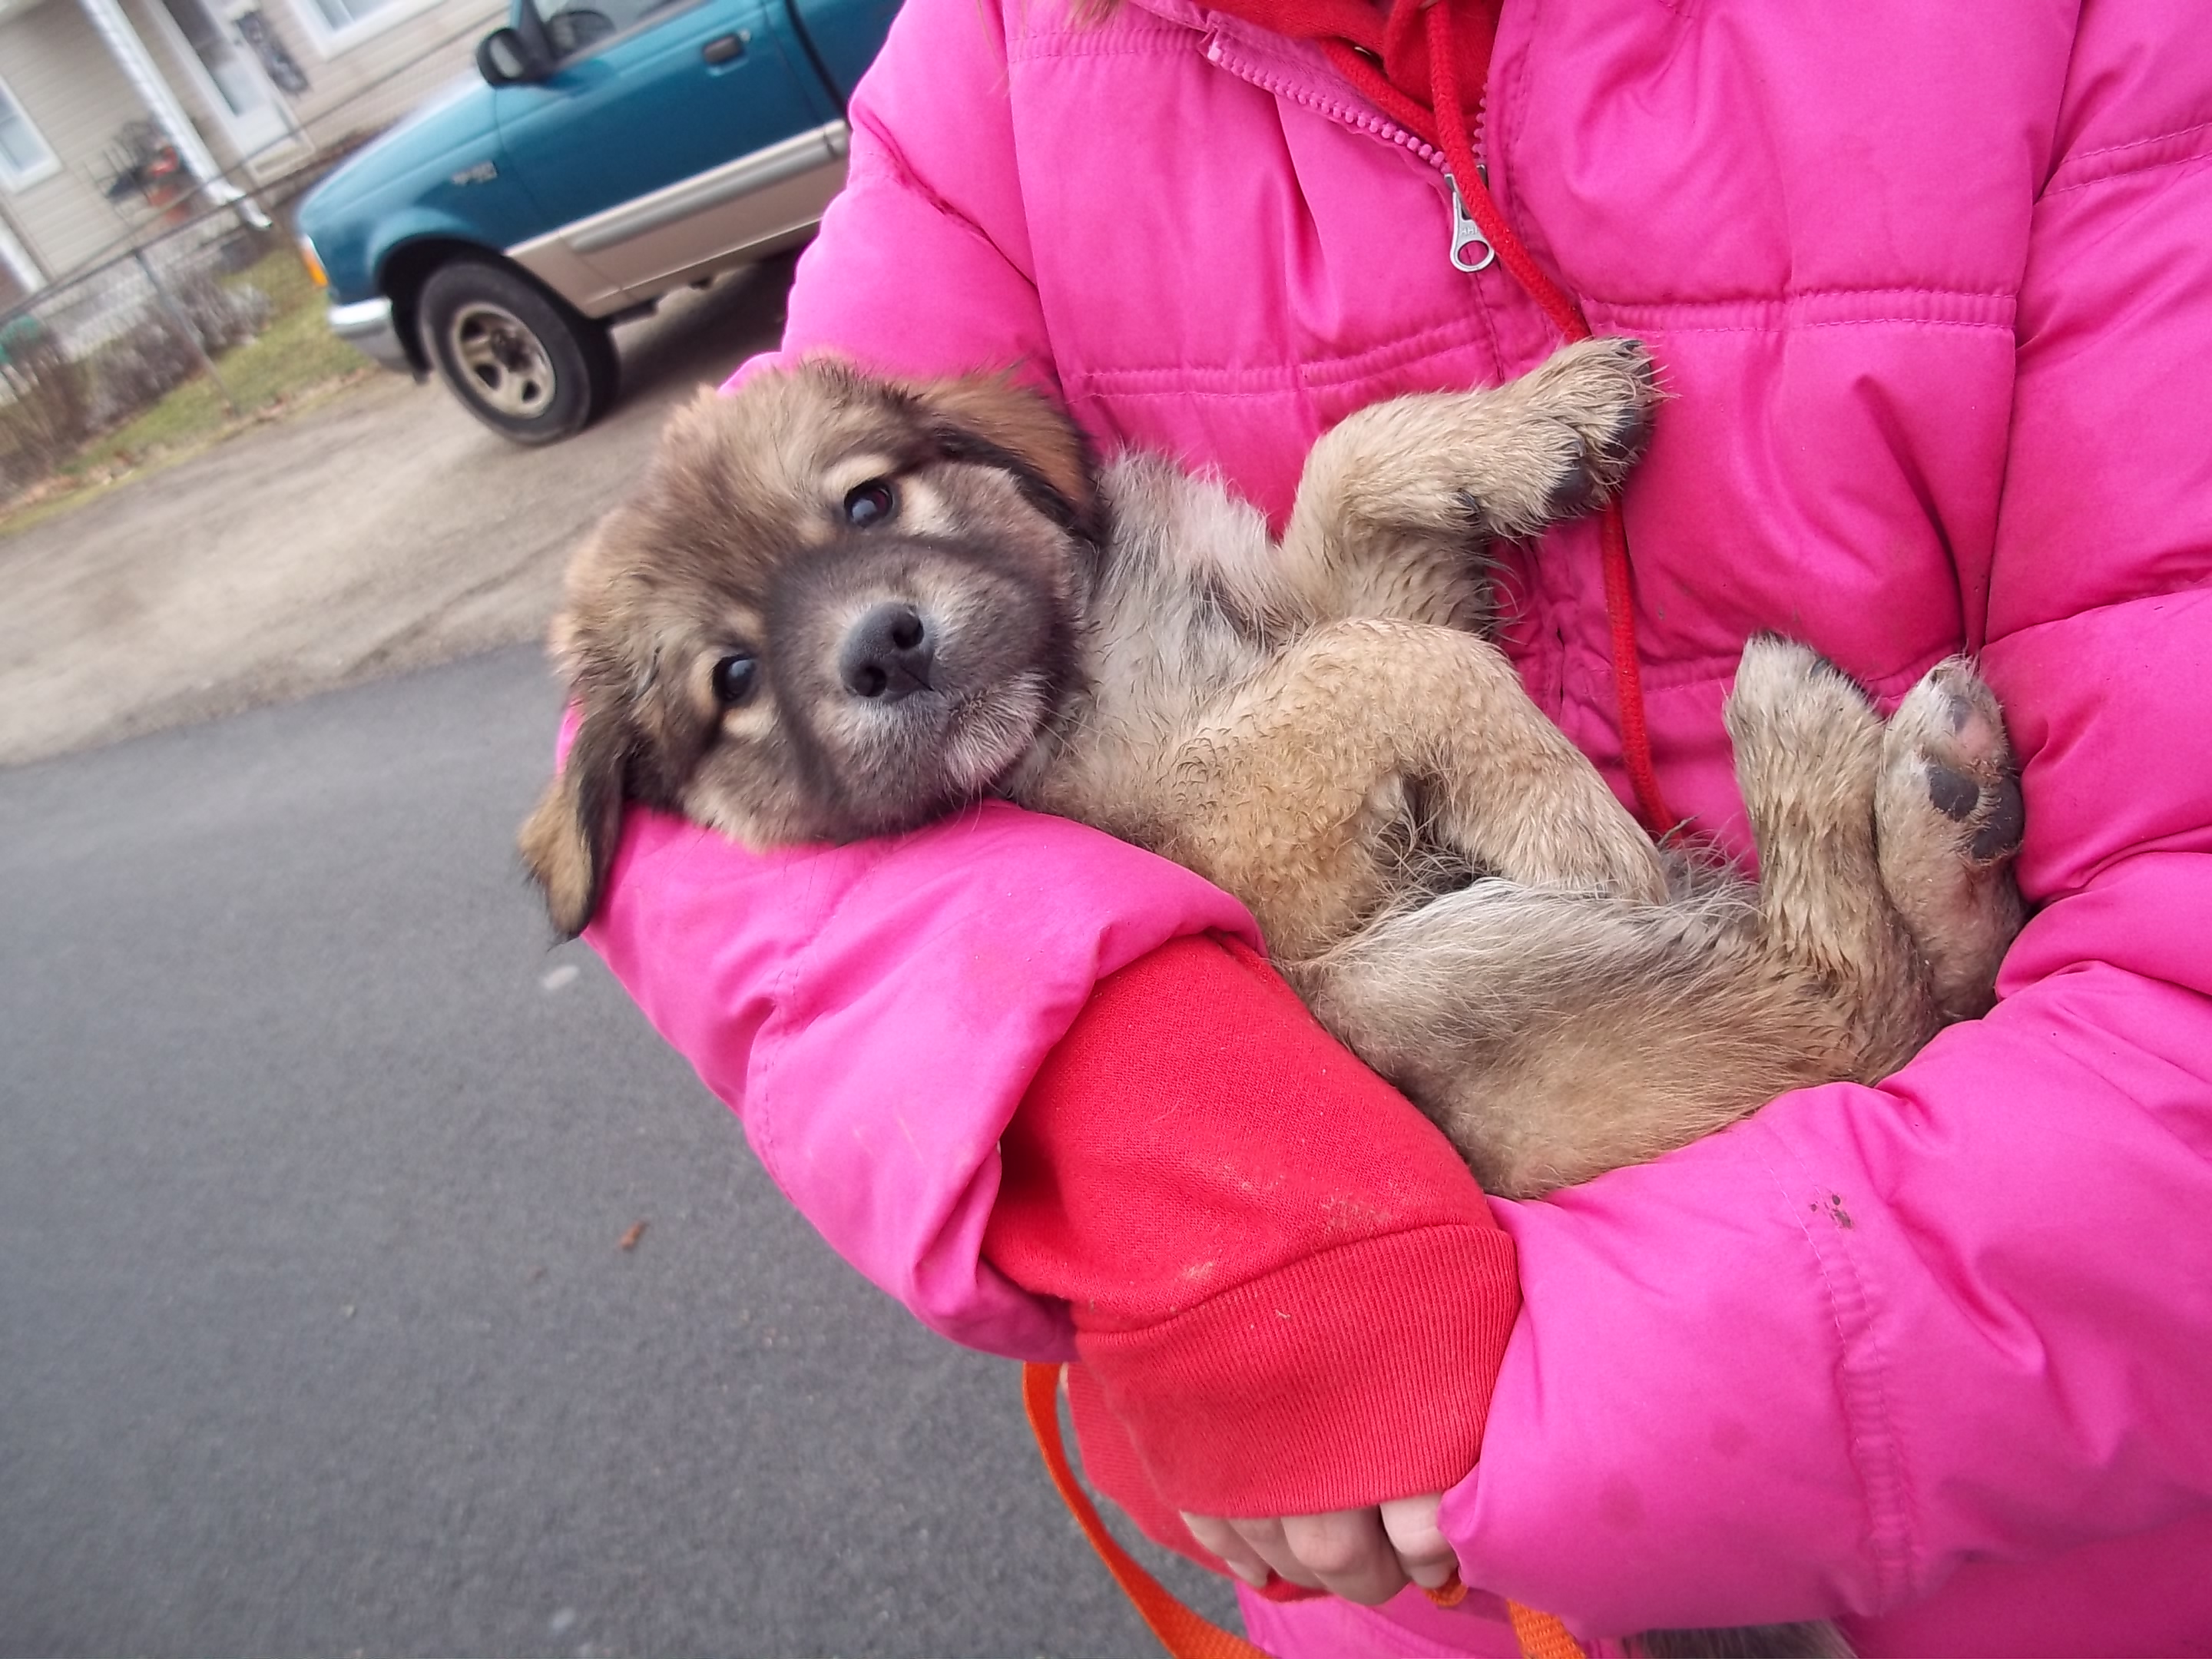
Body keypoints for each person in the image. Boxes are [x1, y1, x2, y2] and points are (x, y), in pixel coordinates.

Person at [571, 0, 2212, 1651]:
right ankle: (1860, 961)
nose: (862, 628)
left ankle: (1859, 968)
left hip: (1969, 1461)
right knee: (1401, 964)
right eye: (735, 674)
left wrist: (1383, 538)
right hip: (1413, 1498)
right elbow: (666, 832)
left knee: (1414, 846)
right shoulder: (993, 62)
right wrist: (1171, 1184)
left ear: (964, 453)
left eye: (869, 510)